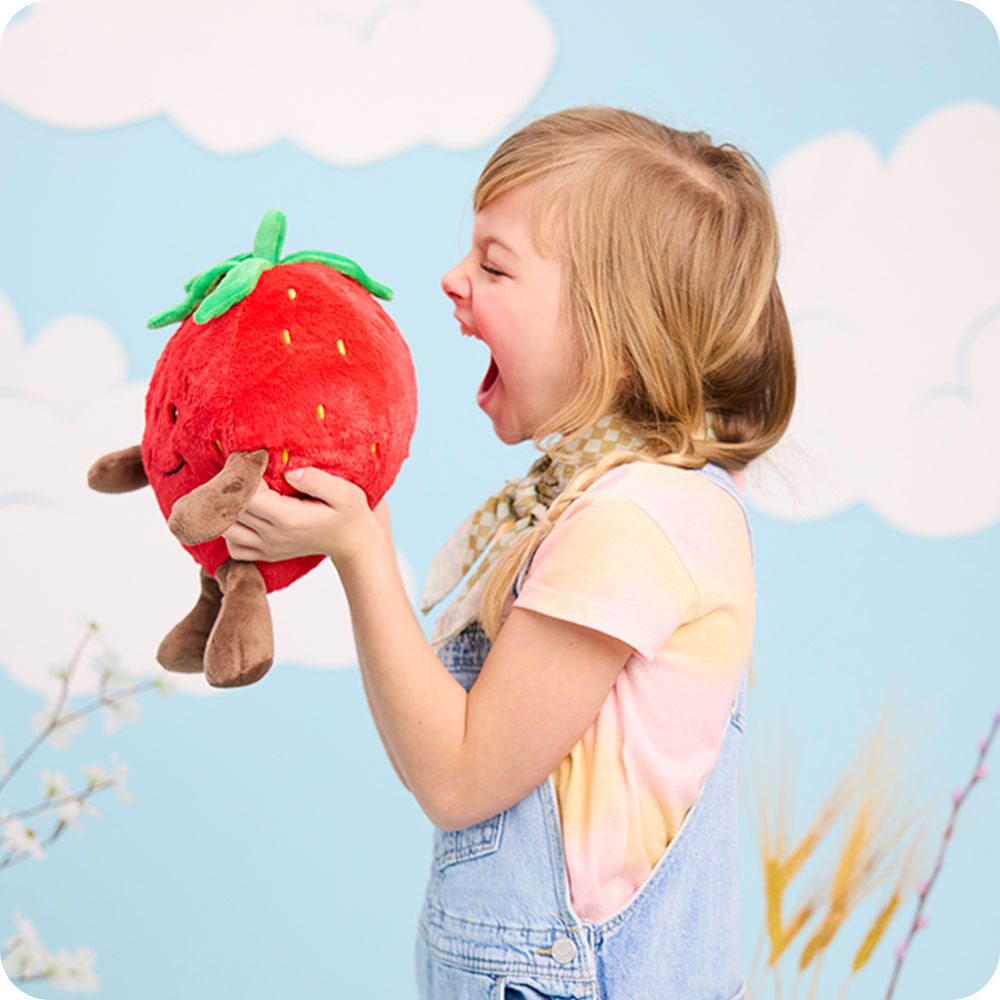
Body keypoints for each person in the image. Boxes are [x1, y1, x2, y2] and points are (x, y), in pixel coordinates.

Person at [222, 106, 795, 999]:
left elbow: (457, 778)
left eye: (494, 265)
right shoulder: (609, 497)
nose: (453, 279)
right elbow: (439, 753)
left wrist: (362, 550)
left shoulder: (635, 522)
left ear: (618, 332)